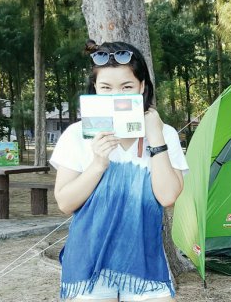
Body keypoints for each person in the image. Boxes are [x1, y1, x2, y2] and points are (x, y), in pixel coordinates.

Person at [50, 40, 189, 302]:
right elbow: (65, 202)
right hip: (87, 266)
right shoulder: (76, 135)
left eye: (126, 87)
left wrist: (156, 136)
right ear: (95, 90)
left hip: (145, 263)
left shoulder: (164, 133)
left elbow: (168, 197)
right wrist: (98, 164)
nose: (116, 95)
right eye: (106, 88)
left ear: (142, 87)